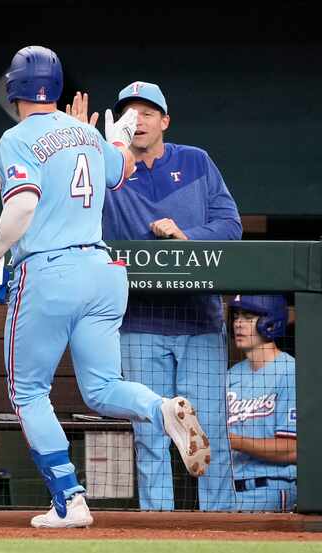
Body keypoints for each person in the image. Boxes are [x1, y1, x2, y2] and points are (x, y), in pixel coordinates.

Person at [0, 46, 210, 529]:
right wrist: (109, 136)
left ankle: (71, 501)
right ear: (55, 88)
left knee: (29, 392)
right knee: (101, 388)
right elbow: (125, 170)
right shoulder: (86, 135)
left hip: (50, 271)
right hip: (102, 271)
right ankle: (162, 409)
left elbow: (21, 208)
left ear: (13, 89)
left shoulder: (16, 137)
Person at [72, 81, 242, 510]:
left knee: (211, 432)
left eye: (147, 112)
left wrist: (186, 236)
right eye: (129, 113)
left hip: (199, 321)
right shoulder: (107, 172)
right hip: (140, 323)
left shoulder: (196, 162)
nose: (138, 120)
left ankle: (220, 528)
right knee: (150, 436)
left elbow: (230, 225)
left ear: (164, 121)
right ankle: (157, 526)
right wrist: (83, 148)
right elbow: (75, 210)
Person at [227, 295, 296, 512]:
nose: (238, 323)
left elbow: (292, 449)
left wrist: (233, 441)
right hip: (226, 491)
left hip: (271, 488)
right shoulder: (230, 376)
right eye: (236, 316)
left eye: (248, 317)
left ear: (271, 322)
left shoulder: (291, 372)